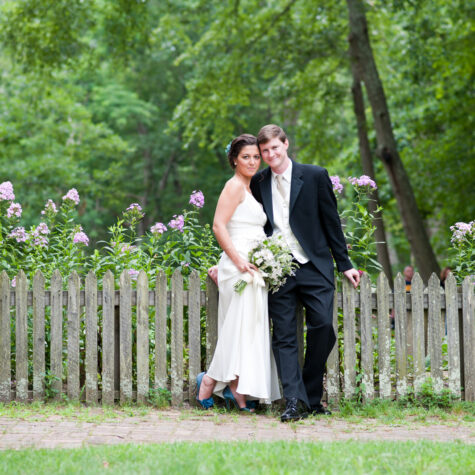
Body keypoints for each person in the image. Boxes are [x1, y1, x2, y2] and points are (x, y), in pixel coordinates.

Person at [250, 124, 360, 422]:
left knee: (323, 326)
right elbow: (251, 225)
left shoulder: (314, 175)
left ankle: (311, 396)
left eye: (275, 147)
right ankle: (294, 402)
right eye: (265, 151)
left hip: (314, 264)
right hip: (279, 270)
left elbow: (331, 221)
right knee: (284, 336)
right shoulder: (258, 182)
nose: (270, 154)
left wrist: (345, 263)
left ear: (285, 144)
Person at [196, 134, 281, 411]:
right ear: (234, 159)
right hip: (240, 267)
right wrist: (237, 262)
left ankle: (238, 388)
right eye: (246, 157)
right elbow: (219, 226)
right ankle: (209, 381)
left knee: (248, 329)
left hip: (253, 267)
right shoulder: (233, 186)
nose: (252, 161)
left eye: (256, 157)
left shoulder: (251, 188)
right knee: (238, 328)